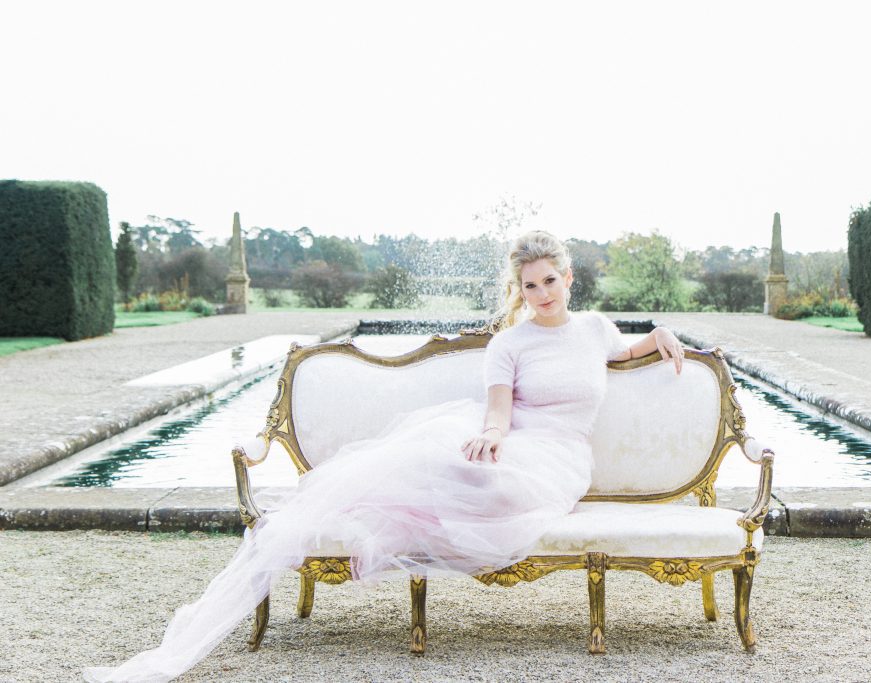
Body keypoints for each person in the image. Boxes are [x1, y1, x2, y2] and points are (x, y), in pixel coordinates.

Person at [84, 230, 683, 682]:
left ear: (569, 278)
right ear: (519, 288)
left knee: (502, 494)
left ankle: (401, 519)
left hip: (563, 457)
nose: (542, 293)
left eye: (550, 281)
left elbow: (627, 353)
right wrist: (494, 435)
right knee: (459, 464)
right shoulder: (509, 343)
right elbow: (498, 410)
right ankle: (372, 519)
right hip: (520, 438)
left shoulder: (596, 329)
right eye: (530, 285)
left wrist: (657, 336)